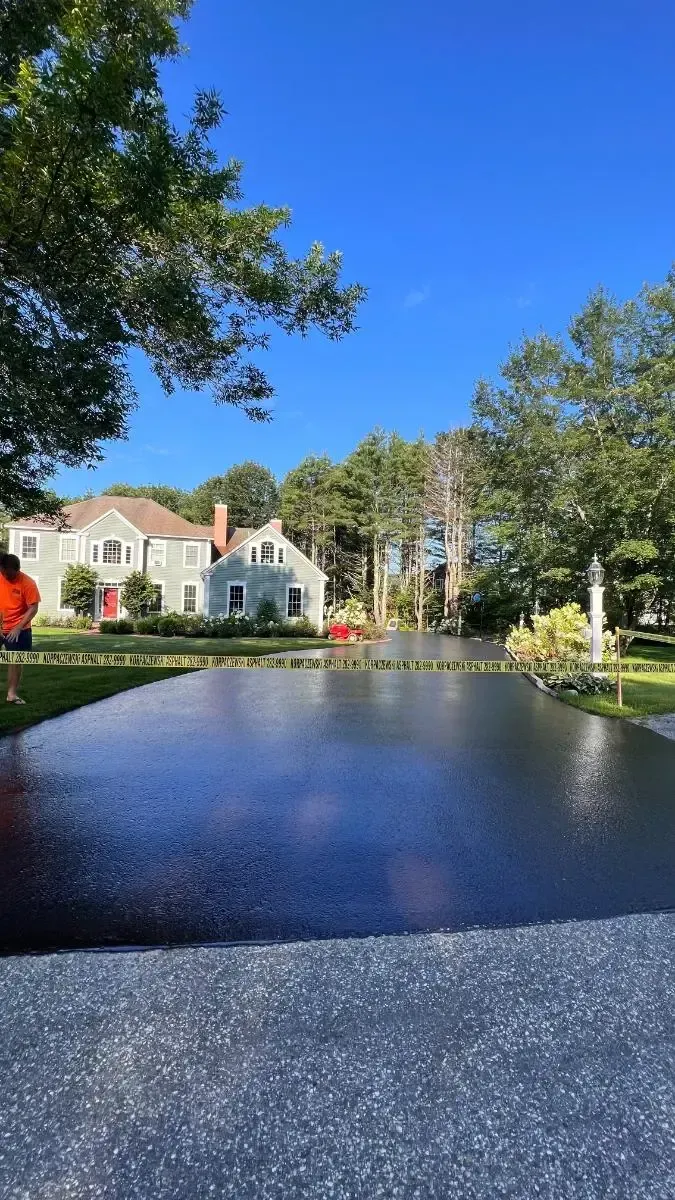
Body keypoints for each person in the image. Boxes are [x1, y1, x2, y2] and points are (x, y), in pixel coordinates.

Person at [0, 553, 40, 705]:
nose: (7, 576)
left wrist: (18, 627)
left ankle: (11, 694)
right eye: (4, 573)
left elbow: (33, 608)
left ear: (17, 569)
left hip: (20, 627)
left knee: (16, 661)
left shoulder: (28, 583)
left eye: (11, 574)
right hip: (1, 623)